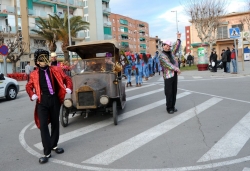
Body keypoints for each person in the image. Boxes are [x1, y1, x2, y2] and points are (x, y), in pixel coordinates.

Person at [26, 49, 73, 164]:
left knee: (55, 123)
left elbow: (67, 78)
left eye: (46, 57)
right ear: (37, 61)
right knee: (43, 126)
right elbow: (28, 86)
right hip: (42, 102)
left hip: (54, 99)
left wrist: (68, 87)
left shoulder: (55, 69)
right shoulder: (34, 74)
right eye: (42, 59)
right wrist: (32, 95)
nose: (45, 60)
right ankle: (47, 152)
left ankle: (54, 145)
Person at [159, 33, 181, 114]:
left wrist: (178, 39)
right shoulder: (161, 56)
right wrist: (176, 68)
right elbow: (167, 64)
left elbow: (176, 47)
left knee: (174, 91)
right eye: (166, 45)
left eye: (169, 46)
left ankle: (173, 106)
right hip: (168, 76)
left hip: (174, 75)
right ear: (163, 45)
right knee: (169, 92)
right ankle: (169, 108)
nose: (167, 47)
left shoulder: (171, 53)